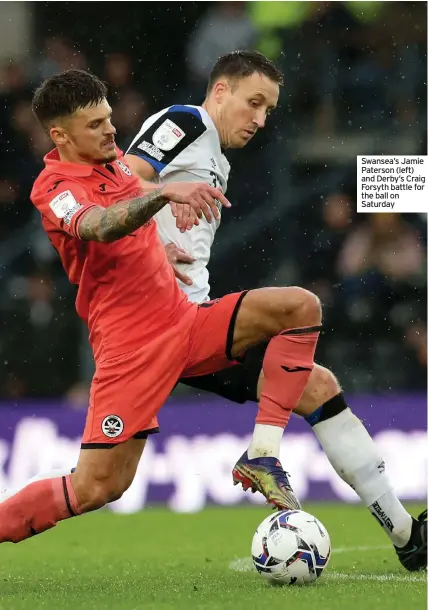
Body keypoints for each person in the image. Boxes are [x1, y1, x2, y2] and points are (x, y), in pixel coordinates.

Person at [123, 51, 426, 572]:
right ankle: (262, 452)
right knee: (297, 307)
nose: (261, 119)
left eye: (269, 110)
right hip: (168, 322)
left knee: (317, 385)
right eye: (254, 102)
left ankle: (406, 535)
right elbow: (122, 180)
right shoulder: (186, 121)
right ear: (220, 91)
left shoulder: (216, 155)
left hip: (188, 317)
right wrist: (156, 234)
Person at [0, 68, 323, 546]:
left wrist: (158, 249)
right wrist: (167, 192)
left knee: (299, 306)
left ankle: (263, 453)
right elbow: (101, 225)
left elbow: (132, 213)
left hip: (185, 321)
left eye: (109, 118)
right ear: (59, 135)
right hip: (133, 345)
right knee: (100, 486)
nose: (111, 130)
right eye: (95, 125)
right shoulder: (55, 187)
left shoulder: (112, 166)